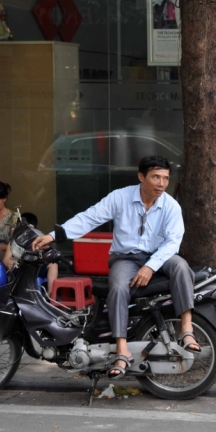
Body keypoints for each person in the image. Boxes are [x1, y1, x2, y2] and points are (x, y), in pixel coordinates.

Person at [32, 156, 199, 379]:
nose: (161, 183)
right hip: (126, 258)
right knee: (119, 286)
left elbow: (172, 243)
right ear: (142, 177)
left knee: (181, 265)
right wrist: (54, 235)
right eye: (156, 177)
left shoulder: (171, 206)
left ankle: (187, 331)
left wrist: (149, 266)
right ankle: (122, 348)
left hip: (159, 256)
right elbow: (89, 218)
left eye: (166, 178)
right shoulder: (120, 197)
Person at [3, 212, 59, 292]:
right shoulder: (14, 241)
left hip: (36, 267)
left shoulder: (39, 239)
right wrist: (9, 262)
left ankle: (51, 294)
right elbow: (6, 259)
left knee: (53, 264)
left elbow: (45, 253)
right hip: (19, 268)